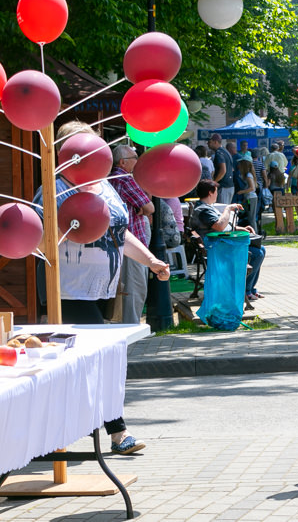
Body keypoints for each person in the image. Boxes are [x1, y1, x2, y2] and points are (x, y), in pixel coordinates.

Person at [36, 121, 170, 455]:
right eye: (88, 147)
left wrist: (151, 261)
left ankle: (54, 434)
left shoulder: (104, 186)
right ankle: (117, 432)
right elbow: (37, 235)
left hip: (100, 289)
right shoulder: (54, 189)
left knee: (85, 365)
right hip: (66, 289)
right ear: (70, 151)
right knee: (102, 357)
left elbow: (118, 232)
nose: (98, 153)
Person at [190, 179, 266, 302]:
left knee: (261, 249)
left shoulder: (204, 207)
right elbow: (219, 226)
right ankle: (245, 291)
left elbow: (220, 226)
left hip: (219, 245)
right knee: (257, 253)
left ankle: (250, 289)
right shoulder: (203, 209)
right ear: (210, 192)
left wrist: (241, 228)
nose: (217, 194)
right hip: (216, 249)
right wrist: (228, 209)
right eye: (216, 191)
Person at [110, 145, 154, 324]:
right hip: (132, 239)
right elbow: (150, 207)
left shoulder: (109, 178)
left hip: (114, 243)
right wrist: (142, 208)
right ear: (123, 162)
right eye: (135, 157)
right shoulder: (125, 179)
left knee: (123, 287)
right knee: (135, 286)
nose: (138, 160)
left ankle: (123, 324)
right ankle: (132, 326)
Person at [235, 154, 259, 233]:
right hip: (248, 198)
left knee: (251, 218)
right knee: (249, 216)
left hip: (251, 199)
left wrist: (241, 192)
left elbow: (252, 188)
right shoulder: (247, 175)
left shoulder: (248, 175)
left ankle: (255, 234)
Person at [208, 133, 234, 204]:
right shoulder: (226, 152)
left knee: (222, 211)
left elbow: (223, 170)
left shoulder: (219, 153)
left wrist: (214, 182)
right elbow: (232, 169)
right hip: (230, 186)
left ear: (215, 142)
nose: (208, 144)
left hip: (223, 187)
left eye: (210, 142)